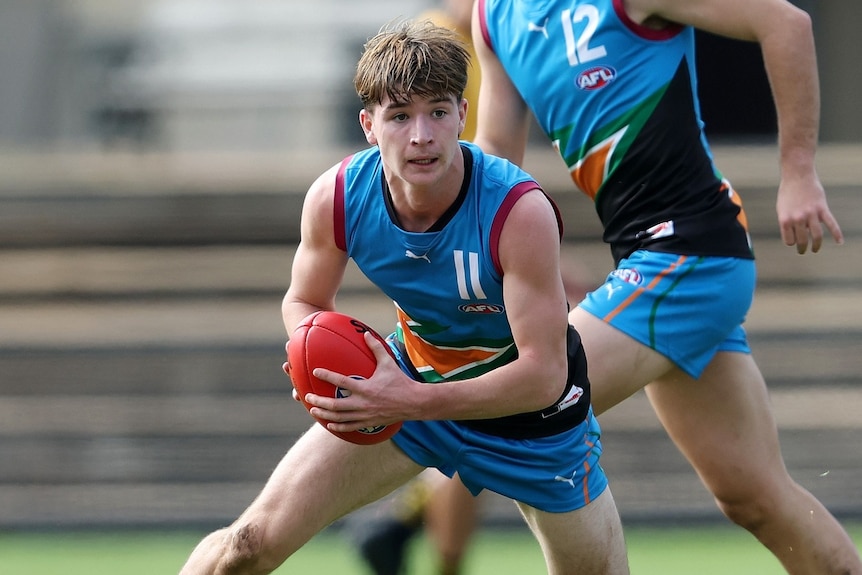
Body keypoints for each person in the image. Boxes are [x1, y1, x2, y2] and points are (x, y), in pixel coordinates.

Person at [178, 20, 629, 575]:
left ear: (464, 115)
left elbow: (543, 375)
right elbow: (304, 301)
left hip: (534, 421)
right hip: (413, 380)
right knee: (245, 546)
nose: (422, 135)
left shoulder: (518, 211)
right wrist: (312, 358)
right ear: (369, 125)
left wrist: (405, 400)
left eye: (438, 111)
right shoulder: (337, 197)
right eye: (399, 116)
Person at [468, 0, 862, 574]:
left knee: (529, 408)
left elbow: (786, 22)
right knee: (754, 497)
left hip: (688, 253)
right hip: (651, 261)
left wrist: (798, 171)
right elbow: (497, 157)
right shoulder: (491, 16)